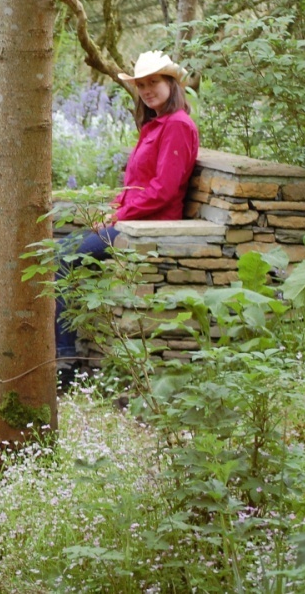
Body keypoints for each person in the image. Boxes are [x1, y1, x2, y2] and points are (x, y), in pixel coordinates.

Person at [55, 50, 201, 374]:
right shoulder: (154, 124)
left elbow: (163, 189)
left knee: (64, 258)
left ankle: (64, 363)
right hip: (133, 220)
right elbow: (135, 184)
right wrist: (112, 209)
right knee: (60, 250)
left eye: (153, 83)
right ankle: (60, 353)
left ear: (171, 84)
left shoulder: (177, 125)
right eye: (141, 85)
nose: (147, 90)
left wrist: (119, 216)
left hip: (149, 225)